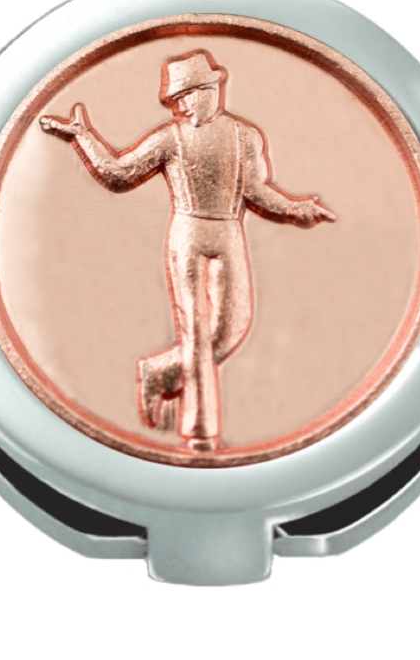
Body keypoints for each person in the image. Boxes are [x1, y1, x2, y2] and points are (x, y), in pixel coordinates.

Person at [40, 49, 335, 452]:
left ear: (210, 90)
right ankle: (199, 432)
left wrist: (297, 209)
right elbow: (119, 174)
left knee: (230, 329)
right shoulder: (170, 137)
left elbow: (255, 191)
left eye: (185, 96)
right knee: (195, 335)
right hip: (188, 232)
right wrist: (82, 137)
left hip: (228, 231)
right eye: (175, 100)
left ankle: (160, 371)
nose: (180, 106)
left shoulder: (244, 136)